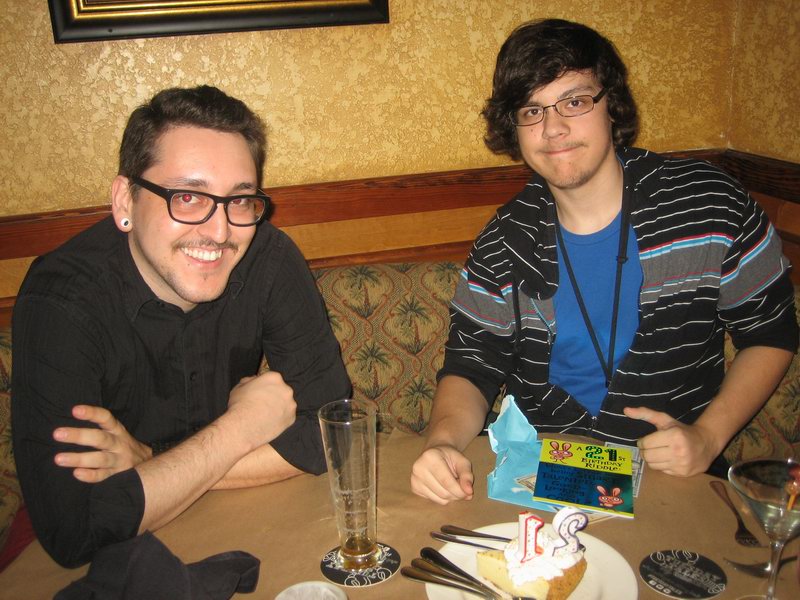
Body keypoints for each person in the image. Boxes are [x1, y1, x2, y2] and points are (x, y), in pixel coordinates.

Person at [411, 19, 798, 505]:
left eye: (574, 101)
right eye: (532, 110)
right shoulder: (504, 239)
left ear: (611, 104)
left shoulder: (706, 204)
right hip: (546, 475)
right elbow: (471, 365)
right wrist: (443, 442)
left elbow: (770, 332)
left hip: (673, 477)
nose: (553, 128)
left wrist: (708, 436)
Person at [11, 85, 351, 566]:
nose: (219, 231)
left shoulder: (268, 257)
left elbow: (331, 435)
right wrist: (240, 430)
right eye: (188, 196)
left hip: (240, 523)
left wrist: (149, 462)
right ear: (125, 201)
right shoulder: (62, 301)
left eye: (239, 200)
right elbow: (74, 530)